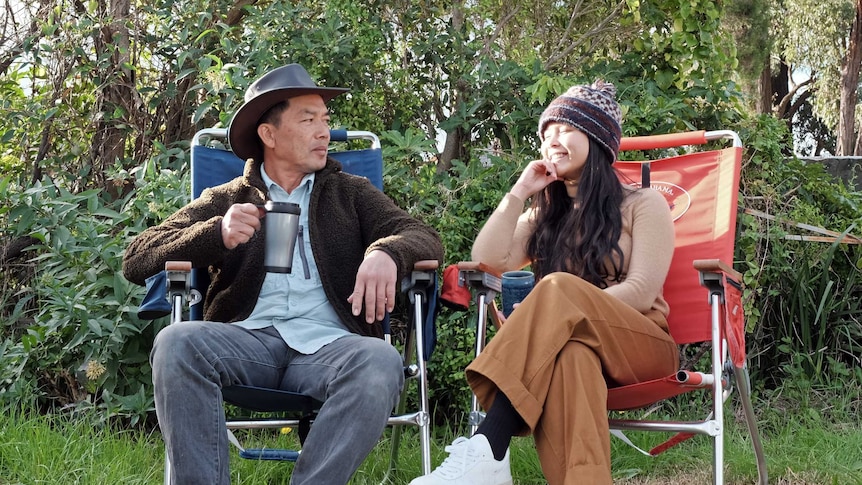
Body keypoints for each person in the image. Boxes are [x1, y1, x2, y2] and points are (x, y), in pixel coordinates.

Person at [123, 63, 444, 485]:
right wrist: (215, 233)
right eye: (308, 120)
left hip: (329, 347)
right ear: (269, 135)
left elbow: (423, 236)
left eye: (325, 120)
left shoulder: (351, 192)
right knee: (176, 343)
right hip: (245, 339)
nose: (323, 131)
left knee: (380, 360)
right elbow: (137, 256)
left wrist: (387, 252)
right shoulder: (228, 198)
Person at [410, 81, 678, 485]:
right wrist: (520, 191)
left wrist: (566, 305)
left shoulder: (644, 204)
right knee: (571, 354)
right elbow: (489, 260)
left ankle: (490, 444)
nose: (552, 140)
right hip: (576, 346)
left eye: (564, 128)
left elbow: (641, 291)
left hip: (642, 344)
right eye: (546, 133)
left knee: (557, 288)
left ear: (597, 138)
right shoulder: (545, 217)